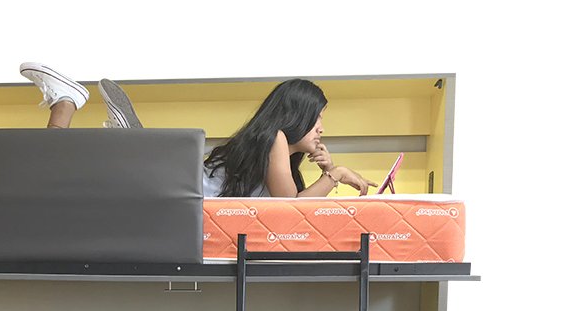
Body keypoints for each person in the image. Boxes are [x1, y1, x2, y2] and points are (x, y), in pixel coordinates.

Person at [19, 63, 376, 198]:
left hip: (175, 180)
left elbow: (293, 201)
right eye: (317, 118)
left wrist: (327, 171)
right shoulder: (277, 139)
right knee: (69, 176)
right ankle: (106, 125)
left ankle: (71, 104)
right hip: (177, 184)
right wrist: (336, 175)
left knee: (70, 176)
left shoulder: (277, 147)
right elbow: (290, 208)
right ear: (297, 114)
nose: (321, 128)